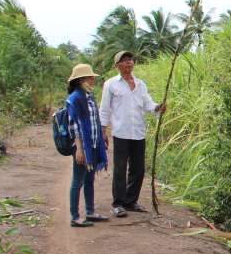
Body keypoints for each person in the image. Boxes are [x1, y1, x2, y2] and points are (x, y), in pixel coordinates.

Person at [99, 50, 166, 217]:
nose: (129, 62)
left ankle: (131, 201)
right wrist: (103, 131)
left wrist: (157, 108)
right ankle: (118, 203)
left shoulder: (140, 84)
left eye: (130, 59)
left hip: (138, 132)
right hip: (121, 132)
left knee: (138, 168)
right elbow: (104, 109)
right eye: (124, 60)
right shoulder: (111, 85)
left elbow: (148, 104)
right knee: (120, 168)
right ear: (117, 65)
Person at [66, 64, 110, 227]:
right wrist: (79, 148)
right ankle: (75, 216)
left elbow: (94, 121)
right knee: (78, 180)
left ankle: (90, 211)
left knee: (89, 179)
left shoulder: (88, 96)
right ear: (81, 80)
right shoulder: (75, 99)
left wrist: (99, 141)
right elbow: (74, 125)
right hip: (82, 146)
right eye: (90, 77)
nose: (93, 79)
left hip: (91, 143)